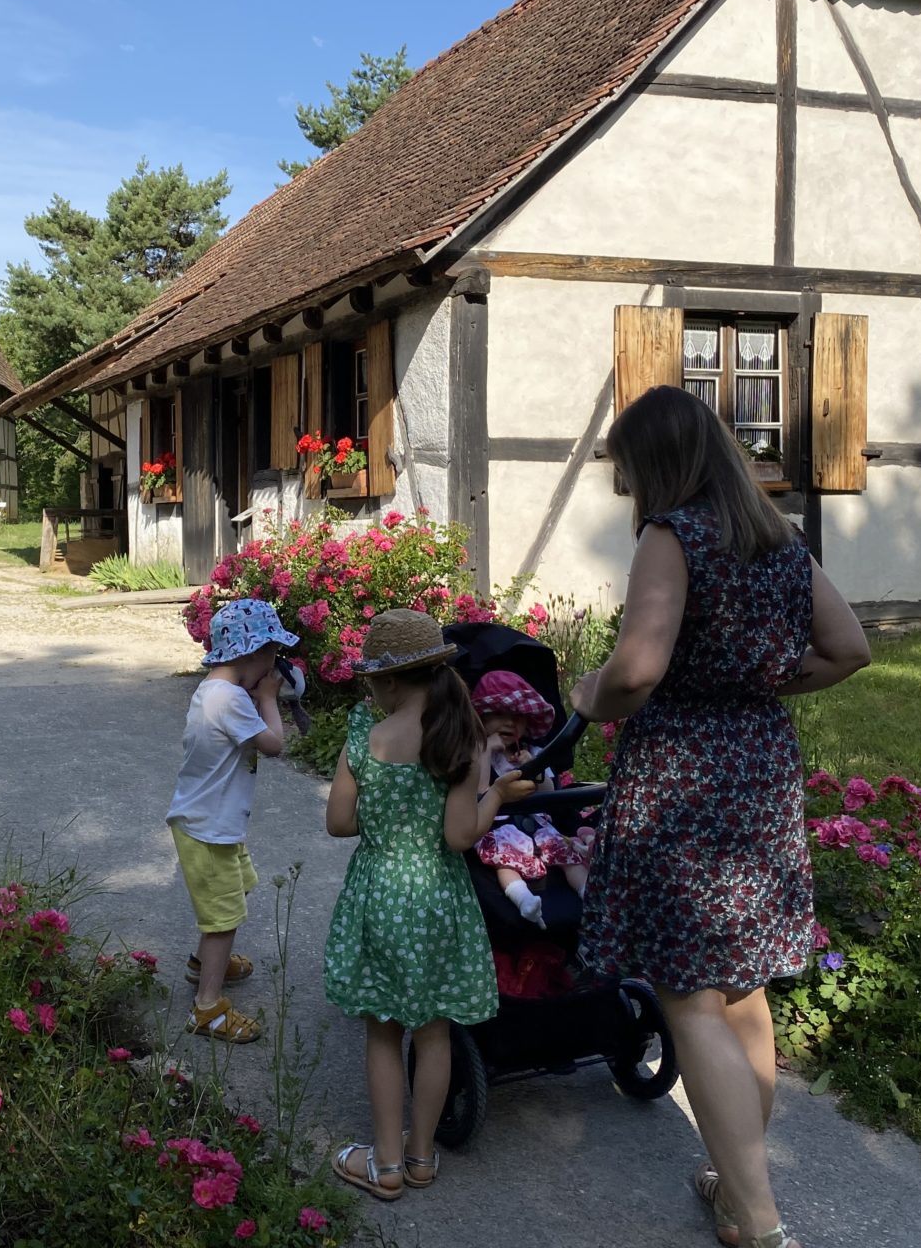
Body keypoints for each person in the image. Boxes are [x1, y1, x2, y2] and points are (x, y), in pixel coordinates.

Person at [569, 387, 871, 1248]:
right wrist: (757, 684)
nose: (626, 490)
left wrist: (588, 694)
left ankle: (764, 1223)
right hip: (760, 771)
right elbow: (850, 650)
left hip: (683, 782)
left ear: (658, 465)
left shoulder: (674, 536)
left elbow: (635, 671)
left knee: (690, 997)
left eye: (628, 473)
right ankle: (737, 1183)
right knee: (742, 991)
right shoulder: (777, 540)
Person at [322, 610, 535, 1200]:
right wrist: (495, 793)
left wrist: (383, 811)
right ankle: (420, 1157)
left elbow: (339, 823)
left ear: (389, 682)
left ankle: (384, 1164)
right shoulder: (462, 736)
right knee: (435, 1032)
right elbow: (461, 838)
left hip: (382, 893)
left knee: (385, 1032)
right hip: (439, 899)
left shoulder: (367, 732)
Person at [168, 598, 298, 1043]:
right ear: (252, 655)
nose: (274, 665)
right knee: (223, 916)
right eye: (272, 656)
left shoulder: (213, 690)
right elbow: (275, 744)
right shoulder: (232, 701)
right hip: (210, 828)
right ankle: (207, 1008)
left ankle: (203, 963)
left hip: (210, 823)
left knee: (232, 892)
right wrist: (268, 699)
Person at [470, 669, 590, 928]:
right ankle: (523, 899)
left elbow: (551, 796)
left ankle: (589, 894)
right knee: (503, 862)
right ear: (481, 718)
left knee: (570, 859)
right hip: (499, 829)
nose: (510, 723)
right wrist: (486, 749)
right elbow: (479, 792)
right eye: (500, 714)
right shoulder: (477, 753)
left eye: (518, 717)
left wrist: (535, 766)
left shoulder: (533, 752)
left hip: (539, 826)